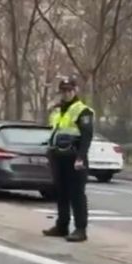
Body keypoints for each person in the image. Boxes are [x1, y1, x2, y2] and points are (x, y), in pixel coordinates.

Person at [43, 77, 94, 242]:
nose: (66, 93)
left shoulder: (82, 110)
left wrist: (81, 157)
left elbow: (86, 136)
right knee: (61, 193)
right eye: (63, 90)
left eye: (69, 90)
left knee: (77, 194)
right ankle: (62, 225)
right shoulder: (57, 110)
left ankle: (80, 229)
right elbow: (55, 132)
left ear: (75, 90)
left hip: (74, 157)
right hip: (58, 157)